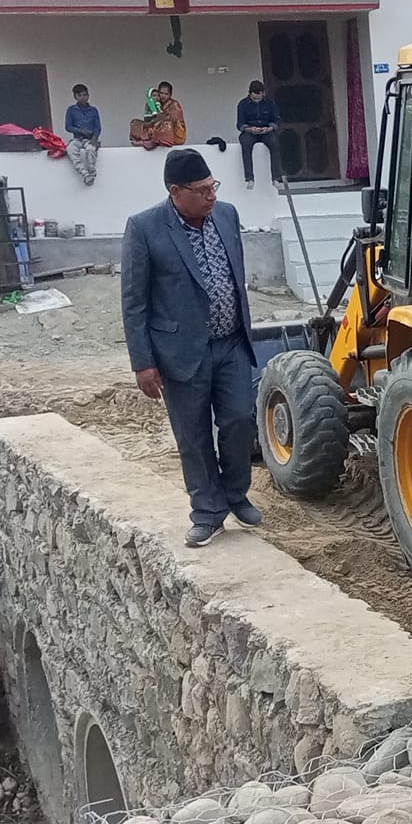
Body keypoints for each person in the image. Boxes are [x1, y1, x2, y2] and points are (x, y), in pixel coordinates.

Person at [121, 149, 262, 547]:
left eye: (213, 186)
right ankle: (207, 511)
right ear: (176, 192)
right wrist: (143, 363)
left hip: (231, 343)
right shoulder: (145, 228)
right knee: (193, 436)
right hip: (181, 352)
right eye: (201, 191)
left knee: (238, 420)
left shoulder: (227, 215)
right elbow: (134, 302)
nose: (211, 196)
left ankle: (235, 494)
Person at [234, 81, 280, 186]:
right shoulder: (243, 104)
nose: (256, 100)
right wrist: (249, 129)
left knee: (275, 143)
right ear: (249, 94)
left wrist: (269, 128)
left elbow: (277, 120)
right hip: (250, 131)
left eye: (258, 98)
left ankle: (276, 178)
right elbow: (239, 124)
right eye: (254, 98)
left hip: (266, 131)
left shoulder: (270, 103)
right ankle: (249, 178)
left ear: (263, 94)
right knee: (245, 144)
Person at [63, 84, 102, 186]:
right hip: (77, 138)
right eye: (79, 95)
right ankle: (84, 173)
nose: (82, 98)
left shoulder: (93, 110)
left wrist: (94, 138)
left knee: (90, 150)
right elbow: (68, 126)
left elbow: (97, 127)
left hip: (90, 139)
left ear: (88, 95)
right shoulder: (71, 110)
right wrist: (80, 131)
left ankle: (92, 172)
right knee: (70, 149)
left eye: (84, 95)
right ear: (75, 97)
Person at [129, 82, 185, 150]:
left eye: (166, 94)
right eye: (161, 93)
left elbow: (172, 120)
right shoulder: (155, 102)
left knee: (166, 125)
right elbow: (150, 118)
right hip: (154, 126)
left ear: (170, 95)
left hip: (172, 132)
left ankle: (153, 141)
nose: (163, 96)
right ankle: (147, 140)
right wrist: (149, 122)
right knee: (134, 122)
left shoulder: (174, 104)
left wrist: (157, 121)